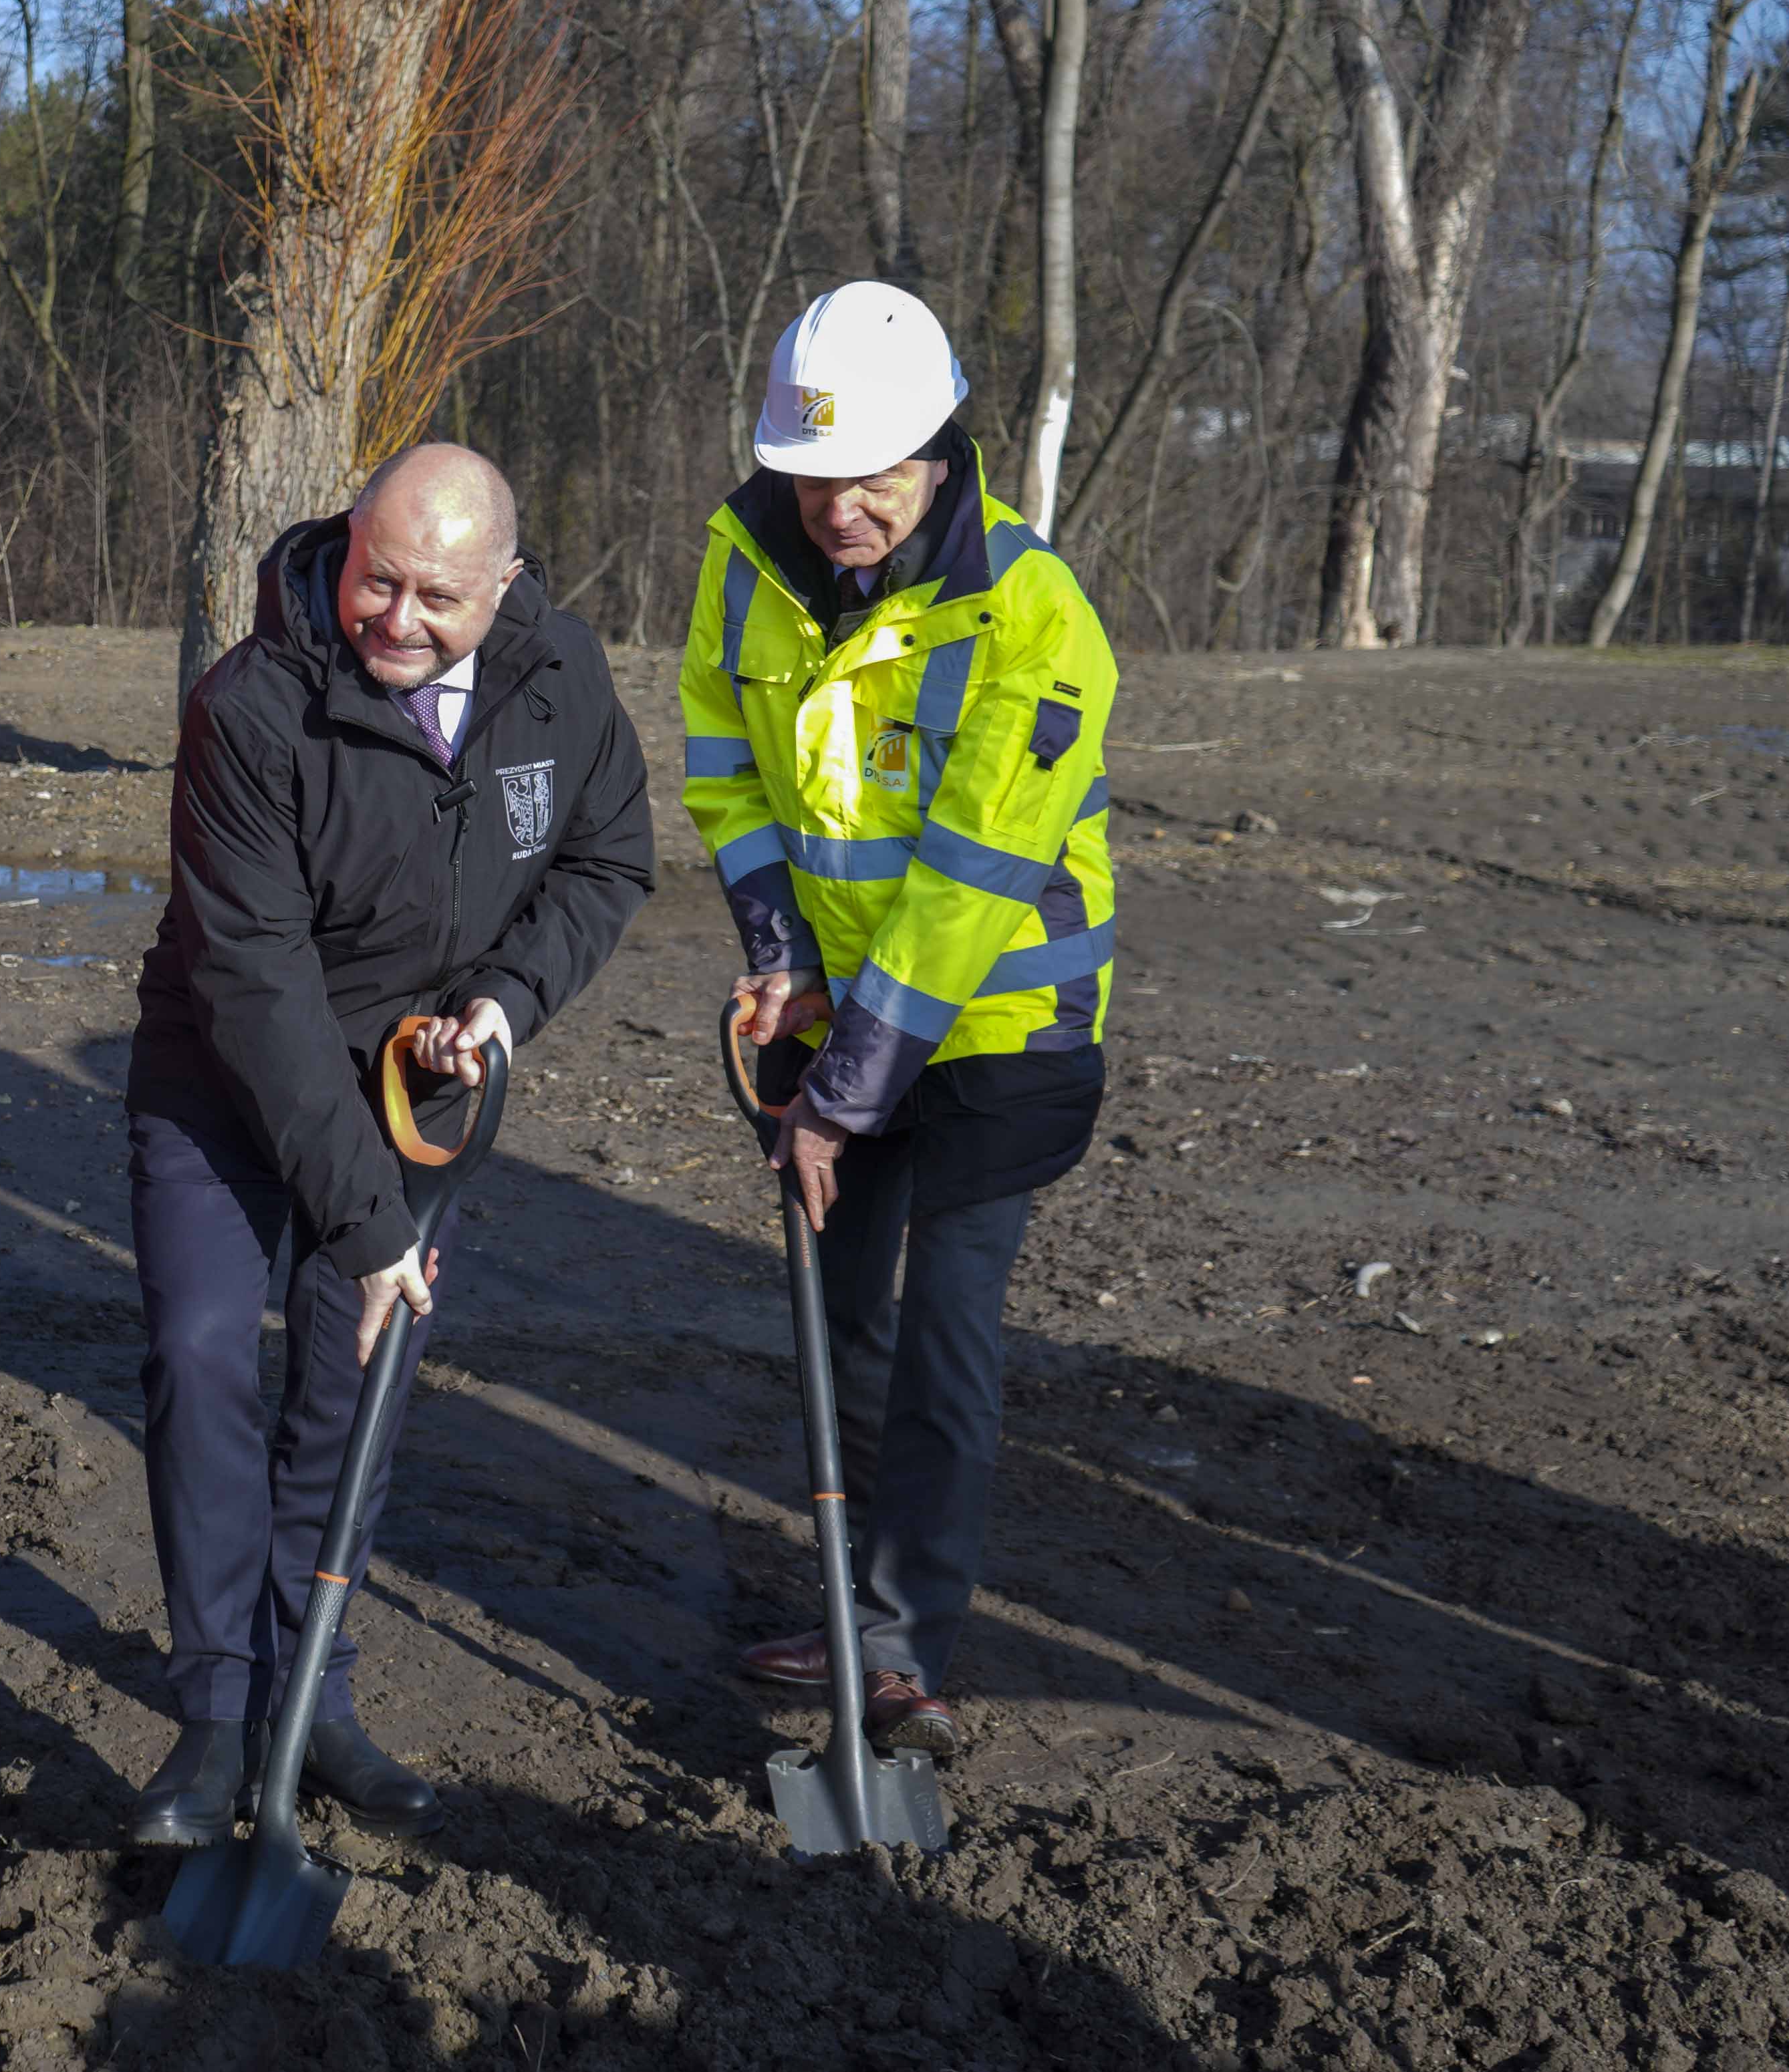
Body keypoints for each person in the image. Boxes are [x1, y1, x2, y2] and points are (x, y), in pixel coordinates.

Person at [122, 443, 655, 1845]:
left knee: (351, 1398)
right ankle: (219, 1715)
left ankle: (320, 1699)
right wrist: (366, 1230)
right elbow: (257, 983)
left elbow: (608, 856)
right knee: (197, 1354)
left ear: (505, 589)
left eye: (439, 597)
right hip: (229, 1067)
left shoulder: (562, 678)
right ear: (343, 544)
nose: (398, 620)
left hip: (421, 1076)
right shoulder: (250, 707)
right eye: (377, 580)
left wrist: (506, 1001)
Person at [680, 281, 1117, 1758]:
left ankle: (910, 1646)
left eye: (869, 480)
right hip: (835, 1009)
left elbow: (969, 873)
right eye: (809, 480)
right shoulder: (743, 562)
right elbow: (724, 772)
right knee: (838, 1311)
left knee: (941, 1327)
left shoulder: (1032, 609)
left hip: (997, 1025)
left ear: (938, 454)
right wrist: (778, 955)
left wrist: (844, 1088)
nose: (837, 512)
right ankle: (852, 1618)